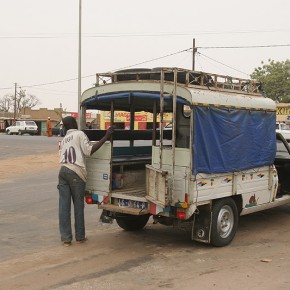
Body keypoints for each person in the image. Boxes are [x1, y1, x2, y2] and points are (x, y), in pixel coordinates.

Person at [58, 116, 113, 246]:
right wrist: (106, 136)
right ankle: (80, 237)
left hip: (63, 171)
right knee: (78, 206)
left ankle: (66, 238)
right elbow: (89, 151)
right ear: (73, 123)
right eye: (75, 121)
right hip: (76, 173)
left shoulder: (64, 139)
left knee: (63, 207)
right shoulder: (79, 134)